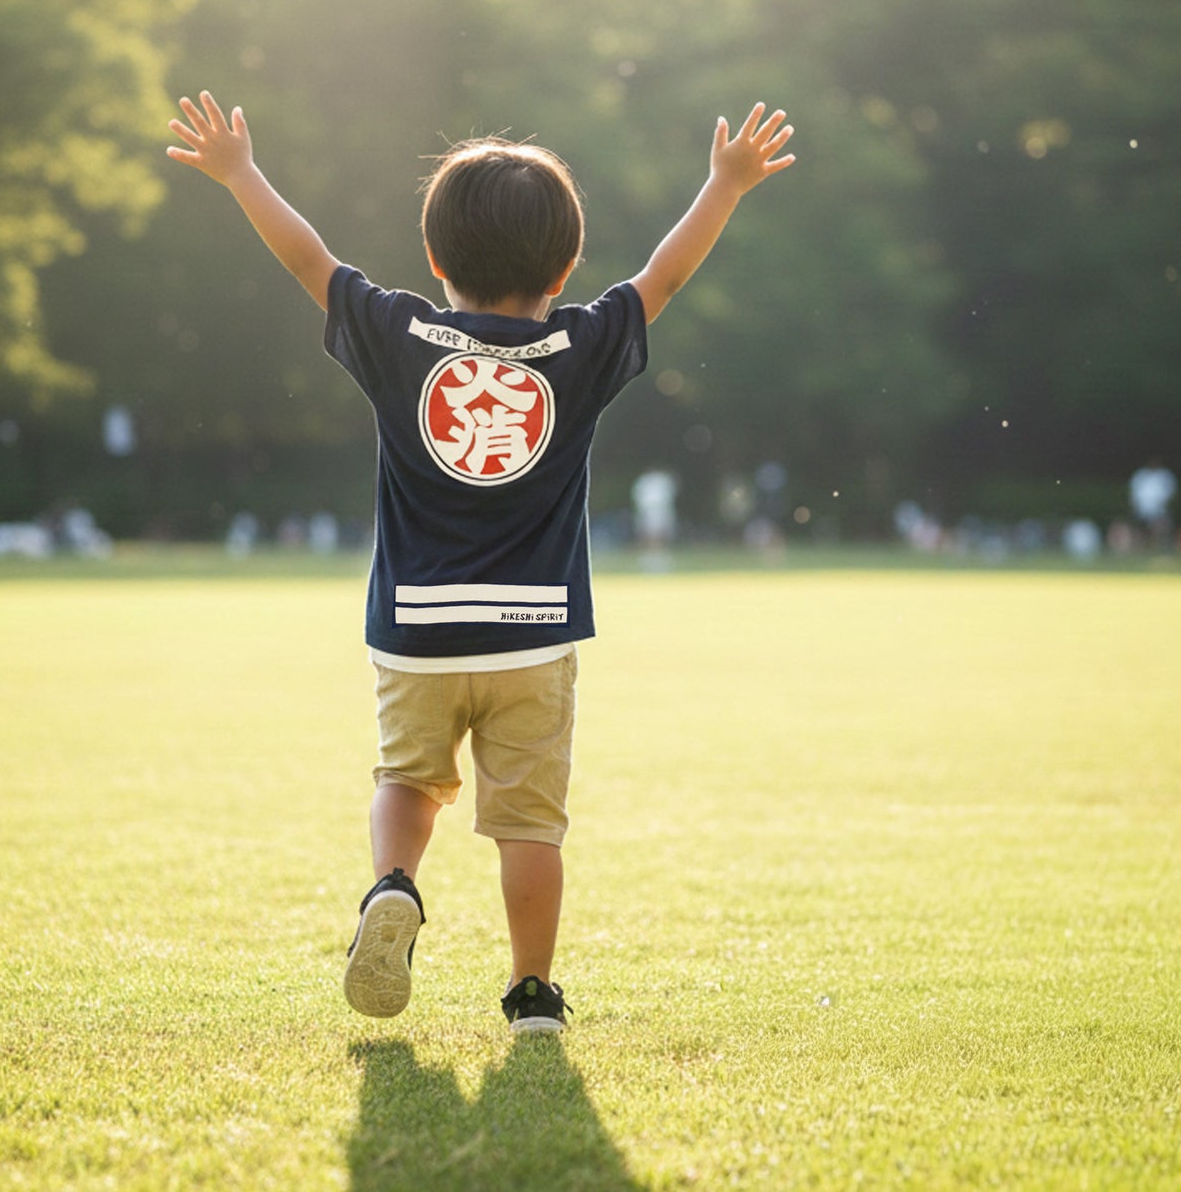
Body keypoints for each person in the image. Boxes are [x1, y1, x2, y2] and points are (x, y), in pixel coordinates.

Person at [167, 89, 794, 1033]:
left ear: (435, 258)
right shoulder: (576, 345)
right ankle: (531, 990)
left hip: (417, 630)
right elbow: (664, 275)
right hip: (532, 638)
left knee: (406, 780)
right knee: (528, 825)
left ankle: (393, 884)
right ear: (567, 261)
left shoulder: (399, 333)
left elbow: (308, 257)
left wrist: (240, 171)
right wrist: (724, 186)